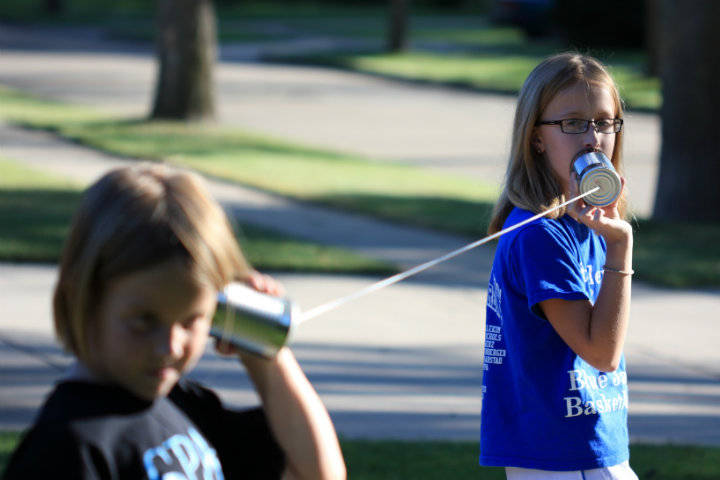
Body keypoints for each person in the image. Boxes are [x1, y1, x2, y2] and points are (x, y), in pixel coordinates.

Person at [3, 163, 346, 479]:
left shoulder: (181, 406)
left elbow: (317, 474)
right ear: (83, 297)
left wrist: (264, 351)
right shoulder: (69, 448)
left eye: (191, 320)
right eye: (143, 320)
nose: (169, 346)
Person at [479, 53, 637, 479]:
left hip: (582, 449)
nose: (592, 138)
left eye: (604, 122)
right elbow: (602, 353)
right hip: (564, 456)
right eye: (572, 123)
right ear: (536, 138)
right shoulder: (541, 234)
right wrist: (621, 250)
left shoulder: (587, 225)